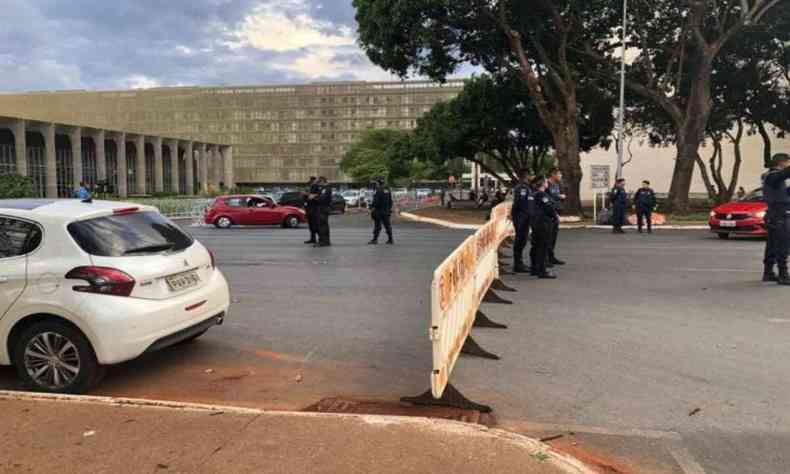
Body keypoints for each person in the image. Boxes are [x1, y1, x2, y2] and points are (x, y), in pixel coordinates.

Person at [761, 153, 790, 285]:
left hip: (774, 215)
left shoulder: (772, 177)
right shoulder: (773, 176)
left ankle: (768, 272)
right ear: (782, 162)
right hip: (779, 215)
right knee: (782, 245)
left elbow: (782, 193)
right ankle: (783, 274)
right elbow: (783, 175)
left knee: (772, 244)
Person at [529, 176, 557, 279]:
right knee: (543, 247)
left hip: (535, 223)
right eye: (545, 181)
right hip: (543, 224)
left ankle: (534, 268)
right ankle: (542, 270)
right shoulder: (542, 195)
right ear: (542, 184)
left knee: (535, 246)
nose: (547, 183)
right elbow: (549, 208)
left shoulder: (533, 194)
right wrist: (555, 216)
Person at [510, 169, 533, 273]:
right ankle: (518, 265)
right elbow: (520, 203)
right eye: (530, 174)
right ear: (526, 176)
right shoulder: (522, 188)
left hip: (524, 217)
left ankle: (519, 263)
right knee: (520, 240)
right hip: (521, 218)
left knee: (522, 240)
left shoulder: (526, 187)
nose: (531, 176)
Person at [546, 168, 566, 266]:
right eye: (559, 174)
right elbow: (548, 198)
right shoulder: (546, 185)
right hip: (549, 213)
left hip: (556, 212)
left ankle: (551, 256)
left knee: (553, 236)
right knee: (548, 237)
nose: (560, 176)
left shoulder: (557, 184)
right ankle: (545, 258)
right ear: (553, 174)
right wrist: (559, 197)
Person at [368, 176, 394, 245]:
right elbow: (390, 201)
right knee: (387, 225)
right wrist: (389, 208)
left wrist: (371, 207)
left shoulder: (378, 189)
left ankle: (374, 240)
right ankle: (390, 239)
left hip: (379, 211)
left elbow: (376, 201)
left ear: (378, 182)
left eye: (376, 182)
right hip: (386, 211)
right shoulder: (387, 189)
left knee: (377, 226)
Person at [315, 177, 332, 247]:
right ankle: (324, 241)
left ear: (322, 181)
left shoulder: (327, 188)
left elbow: (322, 198)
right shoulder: (323, 188)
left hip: (323, 208)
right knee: (322, 225)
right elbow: (319, 195)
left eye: (319, 182)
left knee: (323, 226)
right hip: (322, 208)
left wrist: (316, 198)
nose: (319, 184)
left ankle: (323, 241)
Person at [303, 177, 320, 244]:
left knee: (315, 225)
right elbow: (307, 198)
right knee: (311, 225)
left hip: (314, 209)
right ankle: (313, 238)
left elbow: (315, 197)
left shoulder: (316, 187)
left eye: (311, 182)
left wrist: (307, 194)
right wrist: (304, 195)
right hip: (309, 208)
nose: (310, 183)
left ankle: (320, 238)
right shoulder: (310, 188)